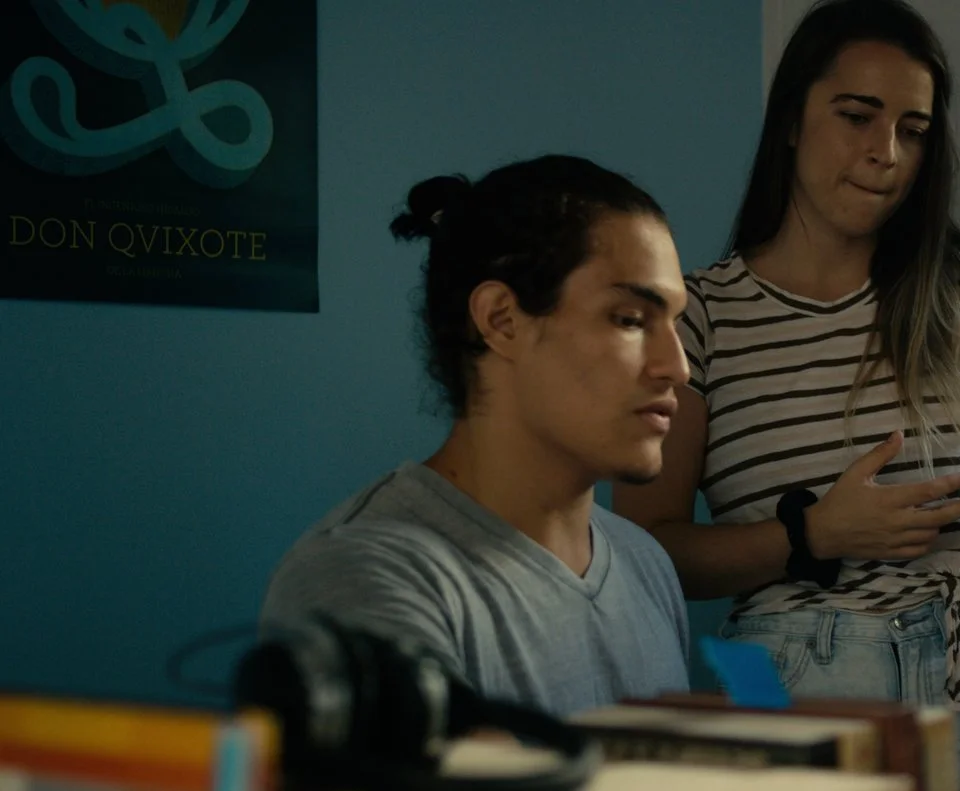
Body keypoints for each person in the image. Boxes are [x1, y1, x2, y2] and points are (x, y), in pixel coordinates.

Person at [612, 1, 960, 788]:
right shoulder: (700, 315)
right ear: (792, 119)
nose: (886, 152)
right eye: (857, 116)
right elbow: (647, 553)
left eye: (913, 130)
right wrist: (813, 532)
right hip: (795, 685)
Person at [259, 154, 693, 717]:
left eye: (675, 323)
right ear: (501, 320)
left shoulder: (646, 565)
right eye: (631, 320)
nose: (677, 366)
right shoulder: (363, 576)